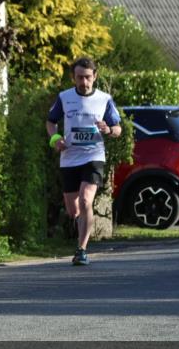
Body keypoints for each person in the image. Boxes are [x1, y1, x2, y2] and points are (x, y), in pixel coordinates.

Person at [46, 57, 122, 265]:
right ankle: (80, 223)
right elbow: (51, 122)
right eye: (80, 77)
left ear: (95, 76)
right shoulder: (64, 97)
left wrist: (108, 129)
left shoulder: (104, 99)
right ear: (74, 78)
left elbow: (118, 128)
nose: (84, 82)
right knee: (74, 209)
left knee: (86, 199)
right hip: (69, 157)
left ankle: (81, 249)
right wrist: (55, 138)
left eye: (88, 77)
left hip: (93, 156)